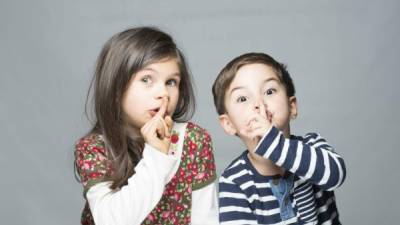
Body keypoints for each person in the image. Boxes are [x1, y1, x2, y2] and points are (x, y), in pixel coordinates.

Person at [74, 27, 218, 225]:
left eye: (171, 82)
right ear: (116, 87)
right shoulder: (94, 148)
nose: (163, 93)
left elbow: (206, 219)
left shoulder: (194, 140)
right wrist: (156, 154)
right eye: (146, 79)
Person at [212, 52, 346, 224]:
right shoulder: (234, 180)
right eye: (243, 98)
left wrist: (273, 142)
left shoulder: (313, 146)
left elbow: (335, 175)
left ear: (292, 107)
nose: (258, 104)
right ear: (228, 124)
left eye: (269, 91)